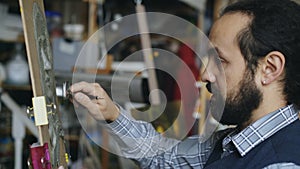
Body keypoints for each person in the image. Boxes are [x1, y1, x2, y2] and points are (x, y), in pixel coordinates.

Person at [69, 0, 300, 168]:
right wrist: (112, 114)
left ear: (269, 68)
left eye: (220, 61)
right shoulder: (230, 144)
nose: (206, 74)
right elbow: (163, 157)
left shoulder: (283, 163)